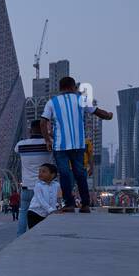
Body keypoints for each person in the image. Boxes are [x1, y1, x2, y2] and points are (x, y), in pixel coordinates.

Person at [41, 76, 114, 213]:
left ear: (60, 88)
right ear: (73, 87)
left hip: (60, 146)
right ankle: (85, 205)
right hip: (78, 145)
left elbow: (43, 122)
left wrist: (47, 140)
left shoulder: (52, 102)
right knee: (80, 174)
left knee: (64, 174)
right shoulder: (81, 99)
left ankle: (69, 204)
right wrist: (109, 115)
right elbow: (98, 112)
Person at [14, 118, 51, 236]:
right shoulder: (49, 143)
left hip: (26, 187)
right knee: (43, 213)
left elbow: (16, 150)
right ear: (44, 129)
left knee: (23, 213)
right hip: (43, 188)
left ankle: (19, 237)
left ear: (30, 130)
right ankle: (40, 236)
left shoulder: (21, 145)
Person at [26, 163, 62, 230]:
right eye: (39, 171)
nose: (40, 173)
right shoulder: (38, 185)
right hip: (35, 213)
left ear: (52, 174)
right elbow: (40, 199)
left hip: (47, 214)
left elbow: (57, 198)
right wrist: (51, 210)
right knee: (34, 232)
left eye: (44, 171)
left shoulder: (57, 185)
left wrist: (59, 208)